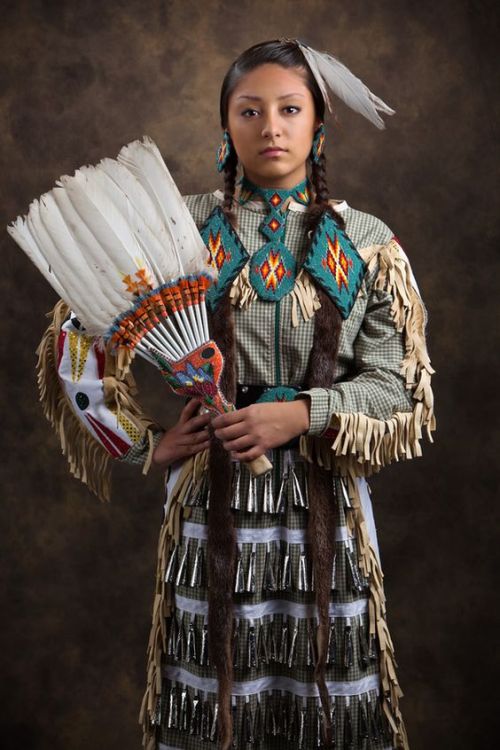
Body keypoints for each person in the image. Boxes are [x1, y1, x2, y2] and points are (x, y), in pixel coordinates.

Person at [36, 39, 435, 750]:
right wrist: (144, 446)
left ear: (319, 123)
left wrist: (303, 413)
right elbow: (75, 344)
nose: (271, 128)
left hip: (328, 503)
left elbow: (400, 388)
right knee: (210, 696)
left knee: (328, 694)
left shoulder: (367, 243)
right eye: (249, 111)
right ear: (227, 127)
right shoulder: (175, 230)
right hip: (207, 500)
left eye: (290, 109)